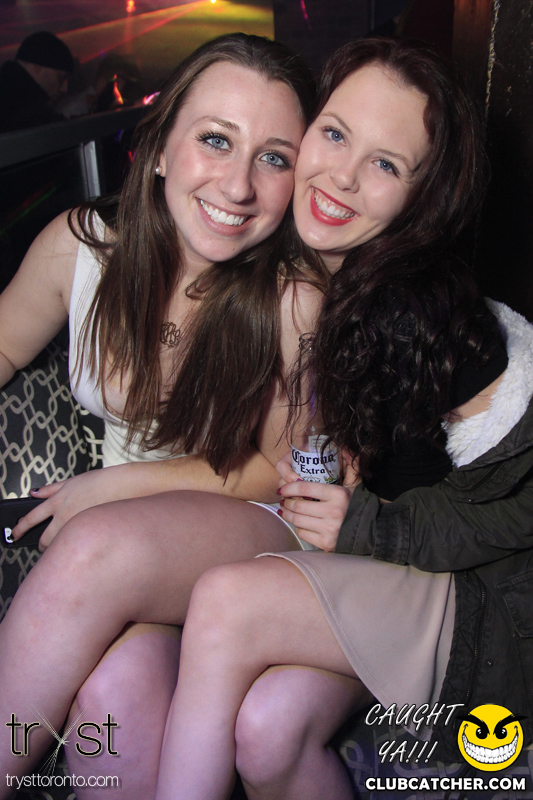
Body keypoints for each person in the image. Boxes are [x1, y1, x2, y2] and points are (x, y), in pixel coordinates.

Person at [151, 38, 532, 800]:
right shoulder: (318, 276)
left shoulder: (418, 311)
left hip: (489, 608)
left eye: (384, 164)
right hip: (401, 574)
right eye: (333, 134)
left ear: (423, 199)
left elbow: (517, 512)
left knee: (225, 603)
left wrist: (370, 525)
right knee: (269, 727)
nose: (342, 176)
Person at [0, 33, 323, 799]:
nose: (238, 186)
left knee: (92, 546)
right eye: (215, 139)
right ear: (157, 148)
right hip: (134, 554)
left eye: (273, 158)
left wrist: (112, 489)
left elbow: (283, 471)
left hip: (256, 526)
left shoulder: (293, 298)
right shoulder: (80, 250)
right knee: (114, 697)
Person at [0, 31, 74, 132]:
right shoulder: (28, 113)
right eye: (60, 77)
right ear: (38, 67)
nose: (64, 89)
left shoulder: (10, 94)